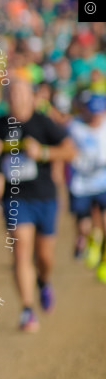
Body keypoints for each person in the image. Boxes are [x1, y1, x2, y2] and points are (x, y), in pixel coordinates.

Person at [0, 78, 76, 332]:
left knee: (45, 257)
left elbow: (70, 151)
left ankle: (44, 281)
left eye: (20, 93)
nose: (16, 98)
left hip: (45, 196)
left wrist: (44, 153)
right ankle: (27, 309)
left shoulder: (43, 122)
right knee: (20, 250)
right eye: (11, 93)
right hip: (15, 198)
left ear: (30, 96)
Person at [66, 89, 106, 282]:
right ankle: (91, 239)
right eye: (93, 112)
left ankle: (104, 260)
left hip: (103, 183)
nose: (96, 117)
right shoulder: (74, 128)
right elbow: (65, 147)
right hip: (81, 184)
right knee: (84, 226)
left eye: (100, 113)